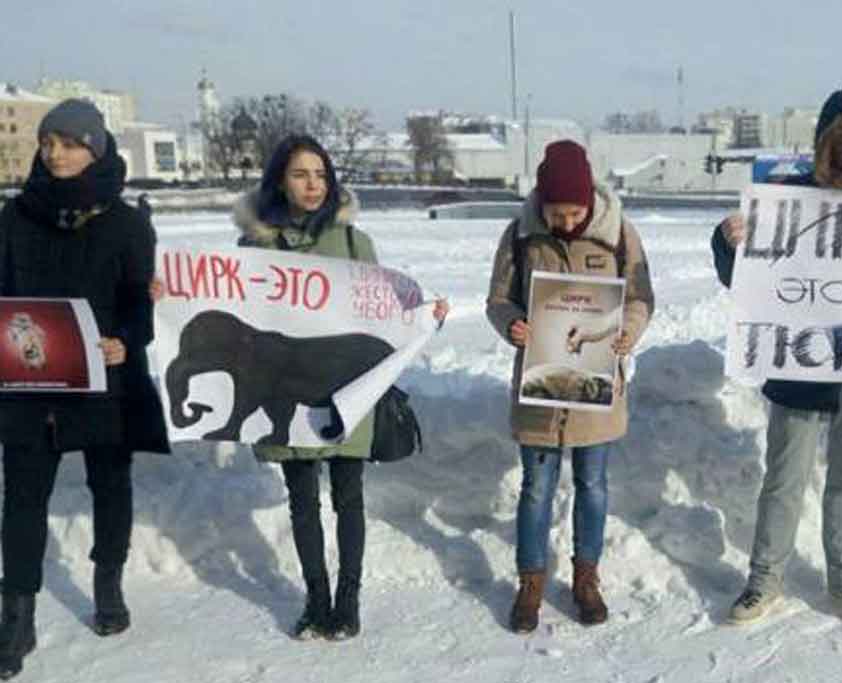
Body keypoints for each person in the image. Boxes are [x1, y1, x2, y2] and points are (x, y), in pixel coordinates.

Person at [233, 134, 448, 641]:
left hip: (344, 393)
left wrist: (424, 316)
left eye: (320, 175)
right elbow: (231, 314)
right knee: (302, 500)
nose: (312, 185)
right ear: (279, 181)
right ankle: (315, 599)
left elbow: (387, 313)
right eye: (300, 174)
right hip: (284, 391)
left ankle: (348, 601)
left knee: (348, 497)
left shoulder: (354, 243)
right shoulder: (256, 247)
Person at [712, 85, 842, 625]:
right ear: (824, 144)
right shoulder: (782, 202)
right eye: (841, 142)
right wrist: (731, 241)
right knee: (784, 477)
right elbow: (738, 278)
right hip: (799, 366)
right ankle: (764, 579)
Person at [0, 99, 168, 680]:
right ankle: (16, 614)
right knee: (22, 496)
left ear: (95, 148)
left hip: (103, 376)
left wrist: (127, 339)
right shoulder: (14, 218)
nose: (57, 154)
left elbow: (137, 302)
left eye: (70, 143)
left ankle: (108, 583)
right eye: (49, 143)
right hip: (28, 379)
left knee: (110, 484)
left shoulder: (126, 223)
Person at [486, 140, 655, 633]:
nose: (564, 221)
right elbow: (497, 299)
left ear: (588, 202)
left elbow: (641, 296)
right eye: (556, 213)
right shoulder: (520, 235)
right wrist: (512, 323)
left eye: (573, 211)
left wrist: (629, 330)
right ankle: (531, 582)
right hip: (539, 390)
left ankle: (586, 578)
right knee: (536, 488)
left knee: (593, 486)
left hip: (594, 393)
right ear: (541, 202)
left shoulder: (618, 234)